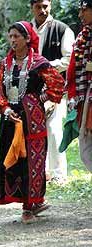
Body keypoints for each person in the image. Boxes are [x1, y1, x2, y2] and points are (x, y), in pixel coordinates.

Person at [0, 21, 64, 224]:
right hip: (10, 118)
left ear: (27, 39)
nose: (13, 40)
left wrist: (40, 99)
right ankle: (29, 201)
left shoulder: (39, 63)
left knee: (32, 160)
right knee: (13, 159)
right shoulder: (5, 64)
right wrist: (5, 108)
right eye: (11, 36)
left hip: (32, 120)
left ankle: (29, 206)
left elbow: (57, 84)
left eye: (17, 36)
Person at [30, 0, 75, 183]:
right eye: (38, 7)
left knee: (54, 130)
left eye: (45, 6)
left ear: (51, 6)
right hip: (31, 89)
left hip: (55, 88)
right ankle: (40, 172)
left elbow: (69, 58)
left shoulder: (62, 29)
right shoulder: (26, 30)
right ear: (32, 7)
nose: (42, 10)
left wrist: (47, 66)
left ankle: (58, 174)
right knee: (34, 130)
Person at [66, 0, 92, 170]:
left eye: (84, 10)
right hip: (87, 96)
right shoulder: (83, 36)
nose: (80, 15)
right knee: (87, 146)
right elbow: (73, 69)